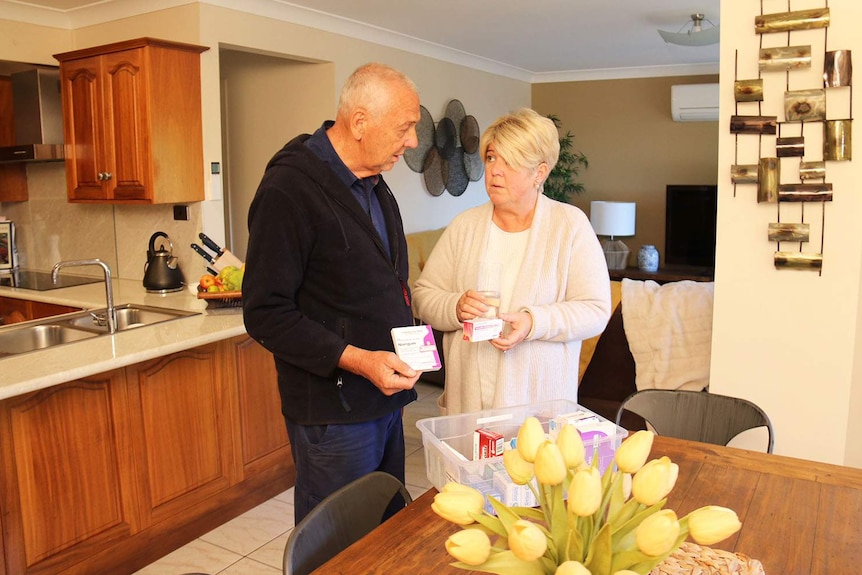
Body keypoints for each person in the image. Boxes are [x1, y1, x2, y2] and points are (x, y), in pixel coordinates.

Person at [242, 63, 422, 523]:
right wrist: (361, 359)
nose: (413, 142)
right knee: (337, 545)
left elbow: (380, 283)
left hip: (385, 398)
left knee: (384, 529)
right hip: (334, 411)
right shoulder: (289, 190)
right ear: (360, 122)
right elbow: (265, 313)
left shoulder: (376, 186)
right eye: (405, 127)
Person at [412, 107, 611, 415]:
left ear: (540, 172)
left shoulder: (570, 226)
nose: (495, 171)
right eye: (491, 158)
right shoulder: (465, 225)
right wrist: (455, 306)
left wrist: (534, 322)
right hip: (468, 408)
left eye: (511, 161)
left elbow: (596, 310)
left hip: (539, 410)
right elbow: (423, 295)